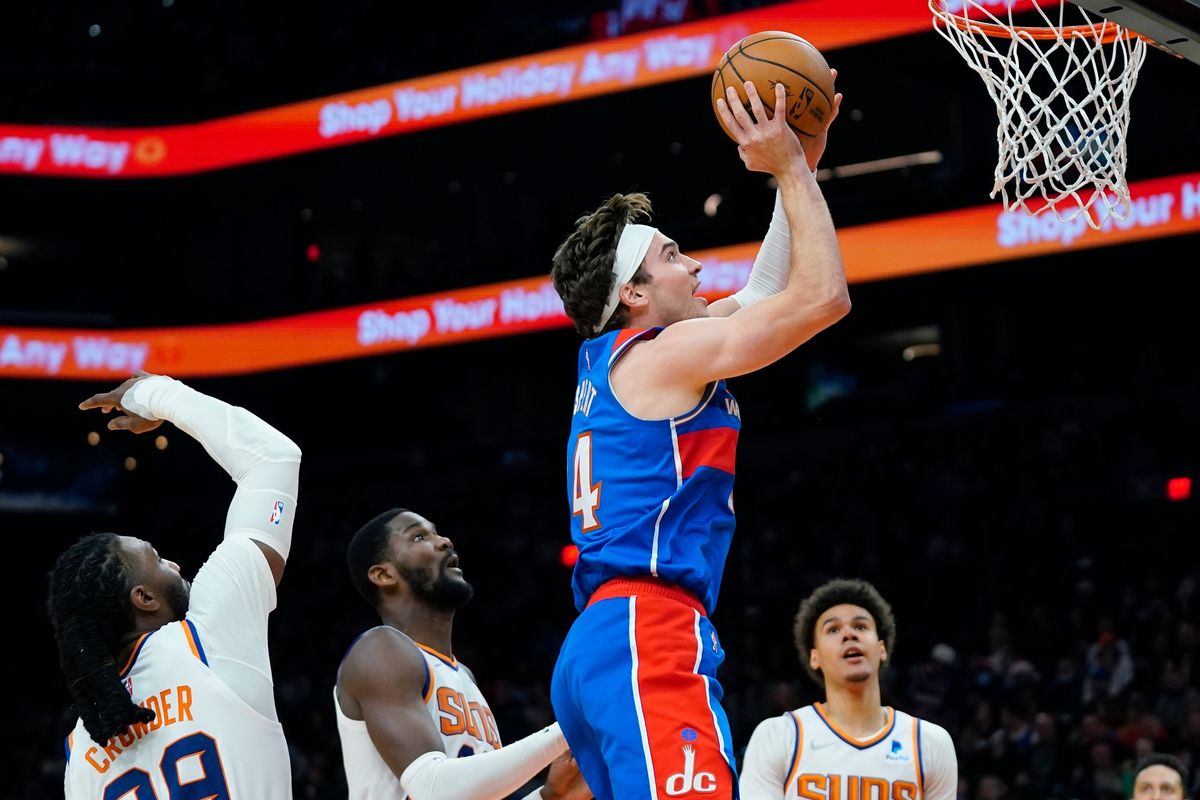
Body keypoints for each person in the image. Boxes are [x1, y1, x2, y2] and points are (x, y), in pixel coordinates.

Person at [548, 76, 850, 800]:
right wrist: (788, 170)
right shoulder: (663, 355)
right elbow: (821, 298)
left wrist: (800, 166)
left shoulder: (628, 358)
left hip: (607, 635)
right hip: (644, 628)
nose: (697, 266)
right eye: (675, 255)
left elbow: (768, 288)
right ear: (635, 295)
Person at [50, 372, 302, 798]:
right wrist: (157, 394)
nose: (174, 562)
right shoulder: (207, 636)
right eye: (157, 558)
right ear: (143, 598)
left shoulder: (81, 749)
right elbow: (273, 457)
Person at [334, 507, 592, 800]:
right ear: (383, 574)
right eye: (419, 537)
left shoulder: (463, 675)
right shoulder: (380, 650)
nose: (444, 541)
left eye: (437, 532)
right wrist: (567, 730)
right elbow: (433, 789)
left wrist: (550, 796)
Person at [739, 578, 958, 800]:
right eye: (833, 629)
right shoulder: (779, 736)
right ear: (815, 657)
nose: (849, 634)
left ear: (881, 649)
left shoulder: (930, 743)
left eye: (860, 626)